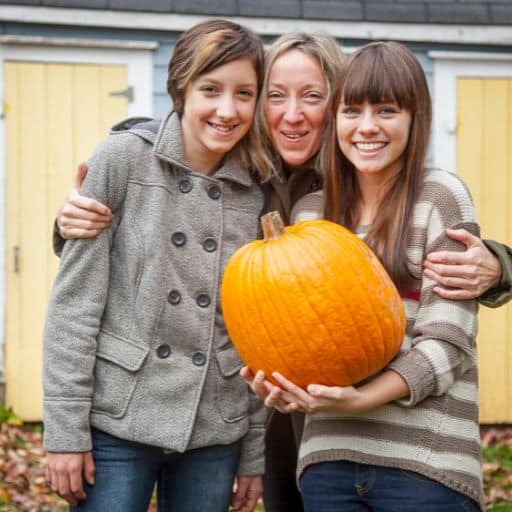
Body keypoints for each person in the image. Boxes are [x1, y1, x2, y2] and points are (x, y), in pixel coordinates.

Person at [52, 32, 510, 512]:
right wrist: (70, 224)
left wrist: (499, 264)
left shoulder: (376, 178)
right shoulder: (239, 172)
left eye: (312, 96)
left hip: (347, 415)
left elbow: (427, 261)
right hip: (268, 408)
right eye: (275, 96)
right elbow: (144, 225)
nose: (293, 114)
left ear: (335, 102)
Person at [43, 19, 267, 512]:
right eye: (210, 89)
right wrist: (64, 429)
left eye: (244, 93)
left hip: (215, 425)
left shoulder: (258, 192)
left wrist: (253, 452)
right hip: (117, 418)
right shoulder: (121, 160)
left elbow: (256, 335)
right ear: (180, 89)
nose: (228, 110)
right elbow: (74, 308)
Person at [251, 40, 485, 510]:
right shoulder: (311, 214)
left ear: (416, 118)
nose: (368, 127)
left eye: (387, 110)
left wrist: (361, 400)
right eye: (352, 110)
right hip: (328, 461)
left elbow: (447, 343)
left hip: (425, 459)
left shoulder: (440, 197)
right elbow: (299, 338)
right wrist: (282, 386)